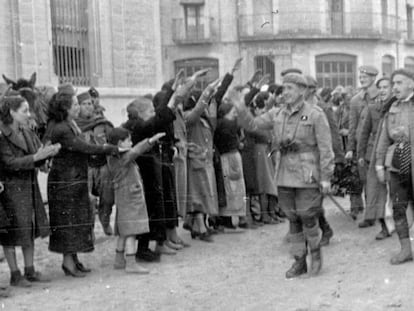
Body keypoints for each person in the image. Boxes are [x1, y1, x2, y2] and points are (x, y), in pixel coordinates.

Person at [234, 73, 334, 278]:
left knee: (308, 216)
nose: (285, 92)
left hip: (308, 174)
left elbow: (326, 149)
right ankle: (299, 261)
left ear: (302, 91)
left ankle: (315, 257)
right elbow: (253, 125)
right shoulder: (277, 113)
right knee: (292, 218)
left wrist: (326, 177)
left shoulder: (316, 114)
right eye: (284, 88)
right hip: (285, 173)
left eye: (290, 88)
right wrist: (240, 108)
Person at [44, 83, 120, 277]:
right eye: (74, 105)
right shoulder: (62, 128)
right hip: (65, 182)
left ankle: (73, 260)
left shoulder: (68, 124)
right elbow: (83, 147)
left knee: (75, 221)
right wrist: (109, 149)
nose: (77, 107)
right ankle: (68, 263)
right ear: (65, 108)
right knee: (68, 222)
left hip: (72, 179)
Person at [0, 95, 60, 286]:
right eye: (24, 110)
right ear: (11, 112)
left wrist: (47, 154)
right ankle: (15, 274)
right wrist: (36, 157)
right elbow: (8, 163)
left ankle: (30, 269)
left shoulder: (26, 130)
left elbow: (36, 156)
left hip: (28, 185)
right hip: (11, 188)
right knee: (12, 232)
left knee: (30, 227)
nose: (29, 114)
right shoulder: (2, 134)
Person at [108, 127, 165, 274]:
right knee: (131, 231)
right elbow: (136, 151)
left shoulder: (114, 156)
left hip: (123, 195)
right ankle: (131, 263)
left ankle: (119, 259)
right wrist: (150, 141)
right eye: (128, 140)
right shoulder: (122, 157)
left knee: (123, 231)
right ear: (120, 142)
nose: (131, 142)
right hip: (130, 197)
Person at [376, 69, 414, 265]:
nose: (395, 87)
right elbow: (383, 139)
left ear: (411, 84)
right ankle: (405, 249)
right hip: (398, 162)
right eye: (394, 83)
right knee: (399, 207)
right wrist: (379, 165)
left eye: (400, 83)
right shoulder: (392, 107)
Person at [304, 75, 344, 246]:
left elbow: (333, 135)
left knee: (313, 200)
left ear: (311, 89)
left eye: (303, 87)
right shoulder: (298, 108)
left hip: (319, 160)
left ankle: (325, 229)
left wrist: (339, 158)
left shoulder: (322, 108)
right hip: (302, 162)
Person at [357, 77, 393, 240]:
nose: (384, 90)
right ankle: (384, 227)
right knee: (377, 192)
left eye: (387, 87)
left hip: (397, 155)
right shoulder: (372, 108)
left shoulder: (401, 107)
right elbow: (364, 133)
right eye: (381, 87)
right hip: (375, 154)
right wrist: (361, 154)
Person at [75, 91, 115, 236]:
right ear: (78, 107)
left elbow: (113, 138)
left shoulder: (102, 123)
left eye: (90, 103)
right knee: (87, 200)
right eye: (84, 104)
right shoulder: (74, 125)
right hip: (85, 166)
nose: (88, 107)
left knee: (108, 197)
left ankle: (105, 220)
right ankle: (89, 229)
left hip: (103, 164)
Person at [345, 66, 380, 222]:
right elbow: (352, 127)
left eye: (365, 76)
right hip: (362, 147)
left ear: (373, 78)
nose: (361, 79)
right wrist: (350, 148)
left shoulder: (381, 97)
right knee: (365, 179)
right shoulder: (355, 100)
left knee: (378, 181)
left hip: (377, 144)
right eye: (360, 76)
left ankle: (381, 215)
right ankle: (370, 215)